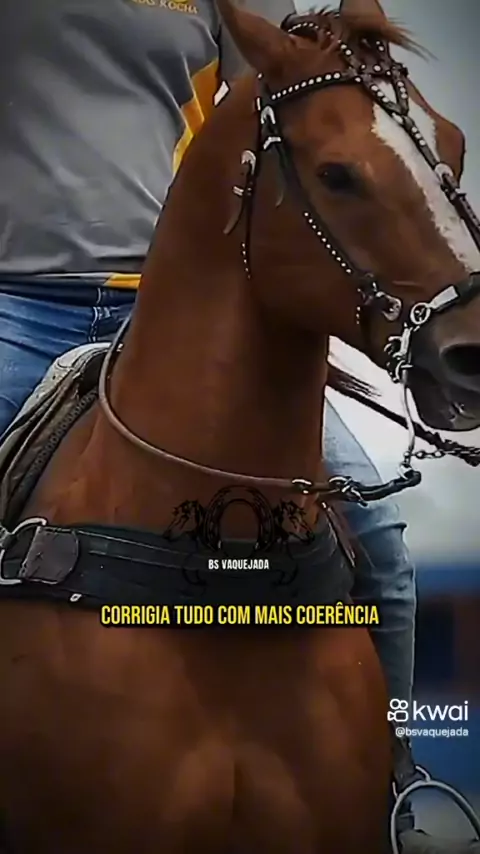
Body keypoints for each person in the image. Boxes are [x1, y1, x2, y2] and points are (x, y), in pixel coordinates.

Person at [0, 1, 469, 851]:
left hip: (169, 307)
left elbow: (278, 103)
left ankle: (400, 783)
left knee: (381, 549)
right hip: (15, 305)